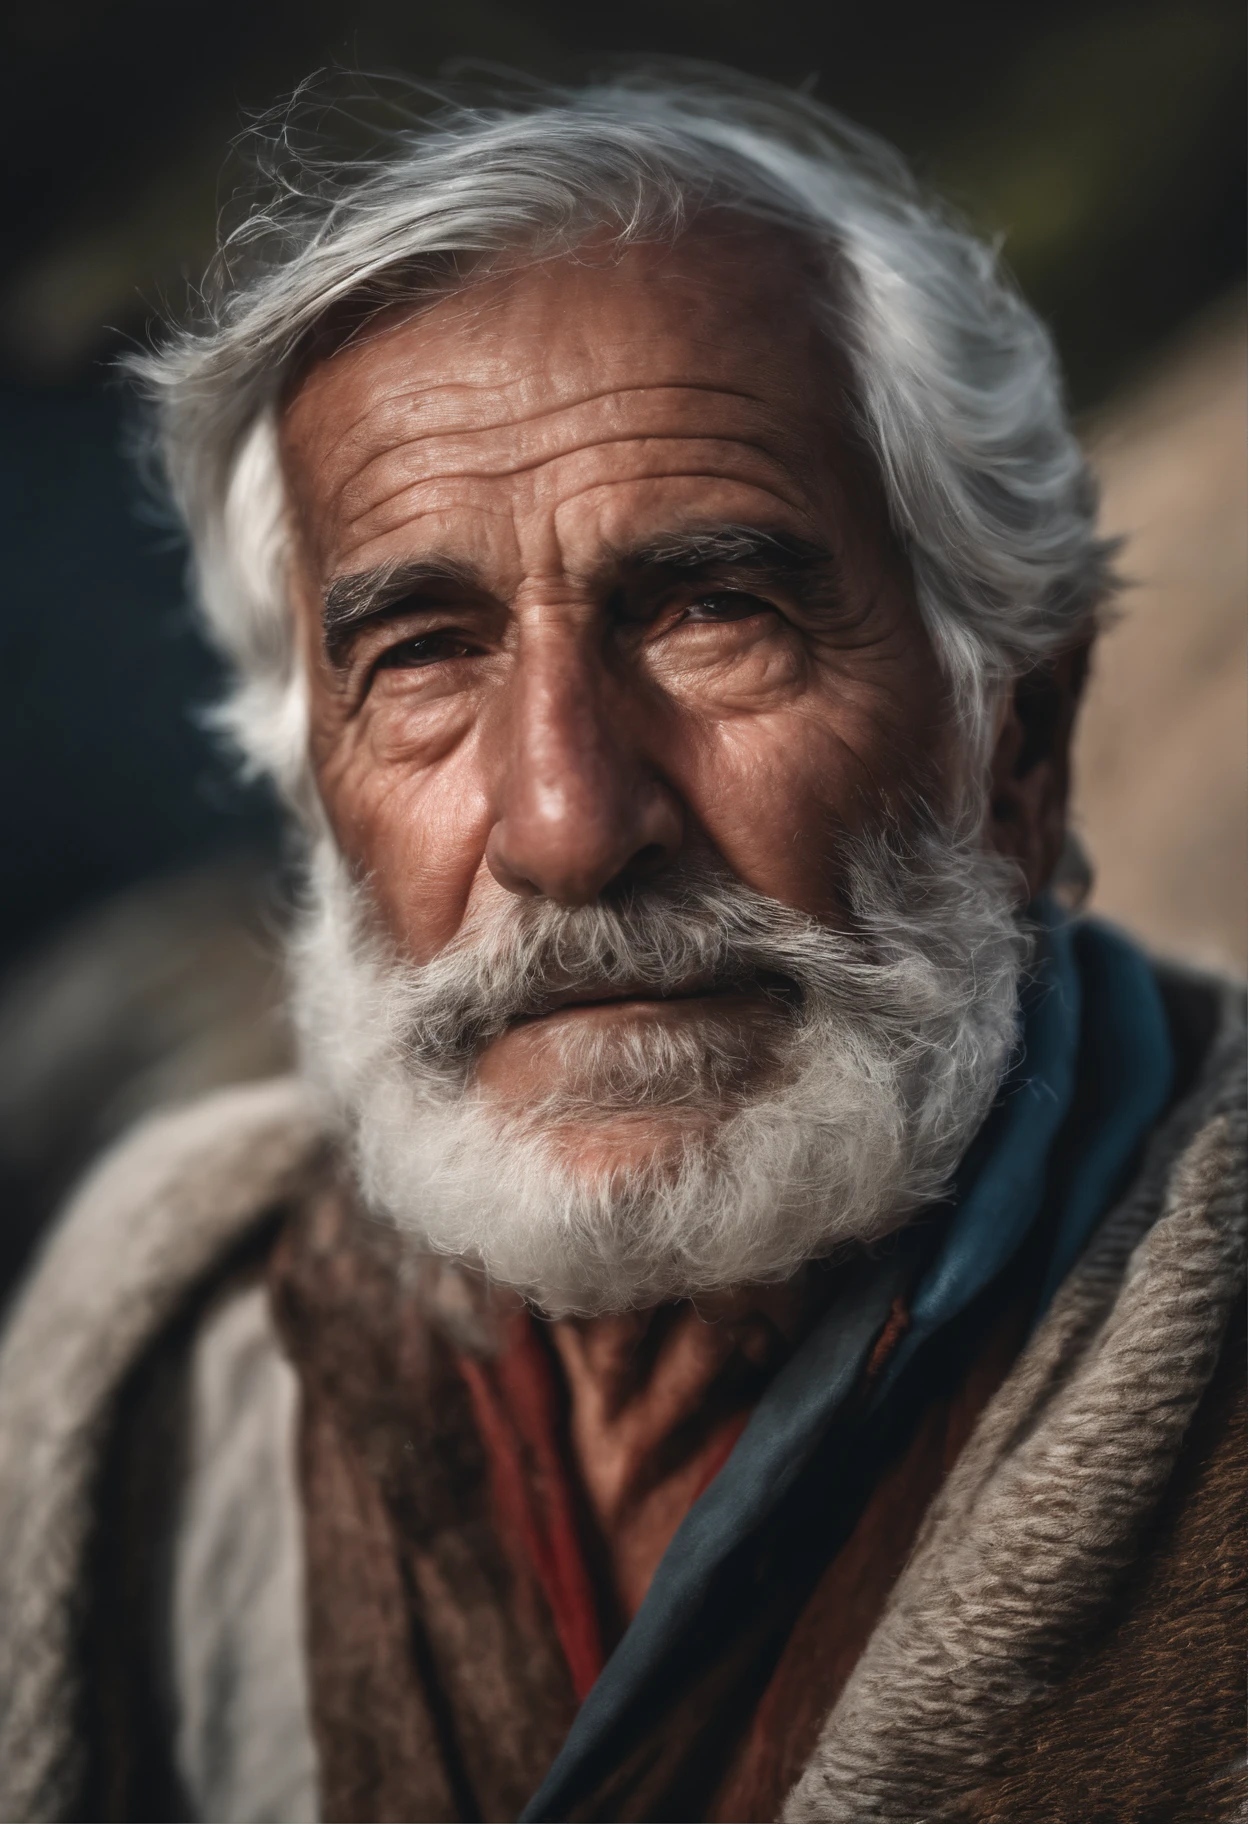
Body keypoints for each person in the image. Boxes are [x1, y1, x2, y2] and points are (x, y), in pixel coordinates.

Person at [0, 71, 1242, 1824]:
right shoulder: (160, 1373)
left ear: (1015, 744)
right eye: (423, 653)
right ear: (316, 790)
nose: (571, 826)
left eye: (714, 610)